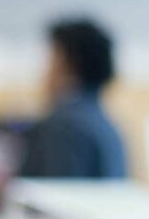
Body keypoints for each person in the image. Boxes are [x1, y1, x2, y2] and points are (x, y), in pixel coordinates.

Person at [19, 18, 127, 179]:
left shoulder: (62, 125)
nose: (45, 72)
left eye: (51, 60)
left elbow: (54, 198)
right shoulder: (105, 124)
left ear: (66, 64)